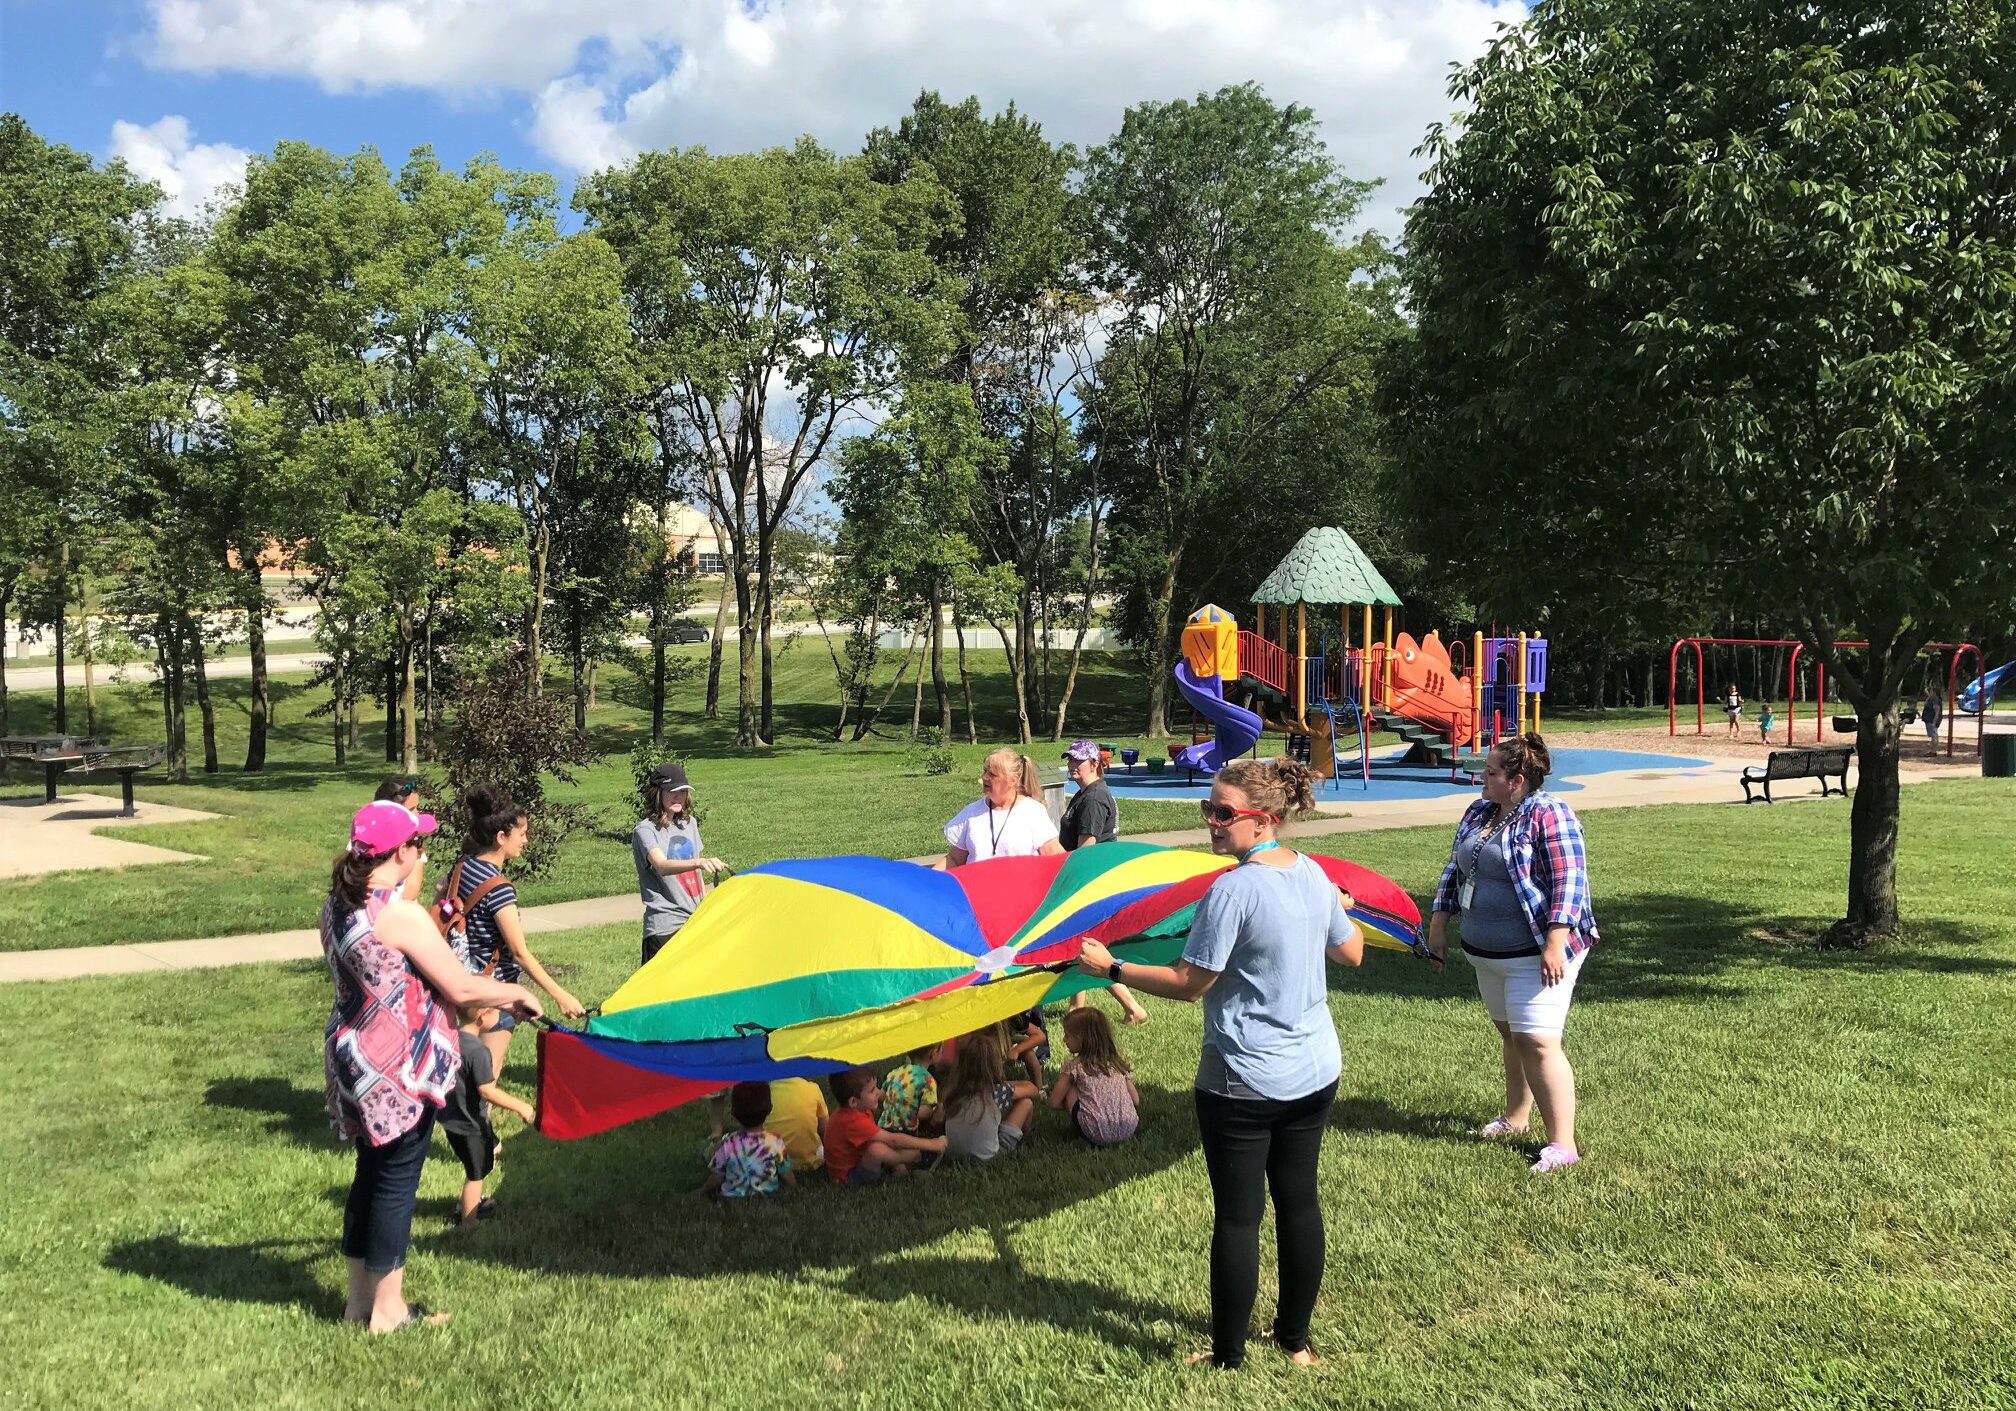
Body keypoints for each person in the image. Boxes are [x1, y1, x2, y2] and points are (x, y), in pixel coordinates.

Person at [1075, 756, 1363, 1371]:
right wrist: (1334, 904)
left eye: (1222, 813)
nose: (1210, 821)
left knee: (1238, 1219)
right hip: (1315, 1072)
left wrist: (1113, 970)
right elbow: (1353, 952)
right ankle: (1296, 1344)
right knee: (1299, 1203)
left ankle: (1229, 1356)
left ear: (1263, 821)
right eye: (1209, 808)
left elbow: (1187, 982)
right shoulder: (1312, 873)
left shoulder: (1231, 889)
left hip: (1244, 1080)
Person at [322, 799, 542, 1332]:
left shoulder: (340, 904)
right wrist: (516, 991)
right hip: (400, 1068)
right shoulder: (398, 915)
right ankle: (388, 1311)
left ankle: (358, 1304)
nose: (424, 851)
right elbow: (462, 986)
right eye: (418, 844)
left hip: (355, 1058)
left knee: (369, 1178)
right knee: (397, 1184)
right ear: (400, 852)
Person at [1426, 732, 1598, 1177]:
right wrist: (1439, 922)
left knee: (1538, 1042)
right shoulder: (1481, 811)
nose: (1480, 778)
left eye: (1490, 772)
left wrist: (1555, 943)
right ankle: (1516, 1118)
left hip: (1536, 952)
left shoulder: (1550, 814)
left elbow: (1570, 882)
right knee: (1512, 1036)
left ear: (1517, 780)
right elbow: (1455, 868)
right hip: (1487, 952)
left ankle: (1563, 1144)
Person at [447, 785, 587, 1079]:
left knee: (461, 1076)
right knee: (485, 1081)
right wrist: (560, 994)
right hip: (495, 993)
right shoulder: (499, 889)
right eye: (521, 833)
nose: (526, 840)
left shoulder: (463, 866)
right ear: (501, 837)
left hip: (464, 985)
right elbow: (520, 953)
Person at [1060, 740, 1149, 1026]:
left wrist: (1067, 880)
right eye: (1070, 759)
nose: (1073, 764)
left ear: (1095, 764)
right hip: (1091, 880)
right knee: (1083, 945)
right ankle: (1085, 1006)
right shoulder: (1085, 793)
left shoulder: (1094, 799)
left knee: (1083, 945)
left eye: (1079, 761)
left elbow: (1086, 849)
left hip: (1090, 881)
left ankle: (1126, 1007)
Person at [443, 1003, 537, 1225]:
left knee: (492, 1150)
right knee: (476, 1175)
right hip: (471, 1124)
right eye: (496, 1012)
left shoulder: (449, 1040)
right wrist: (520, 1106)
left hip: (452, 1120)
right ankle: (469, 1220)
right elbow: (487, 1090)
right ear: (482, 1018)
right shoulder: (478, 1052)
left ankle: (471, 1202)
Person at [633, 762, 727, 966]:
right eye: (672, 791)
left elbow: (696, 877)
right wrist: (699, 862)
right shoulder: (645, 831)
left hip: (693, 923)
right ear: (658, 793)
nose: (679, 797)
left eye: (683, 791)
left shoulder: (689, 823)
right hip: (665, 927)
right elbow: (661, 865)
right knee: (657, 995)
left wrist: (704, 907)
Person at [824, 1068, 947, 1186]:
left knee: (881, 1139)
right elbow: (893, 1140)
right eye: (872, 1090)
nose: (878, 1092)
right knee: (877, 1149)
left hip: (859, 1161)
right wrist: (931, 1144)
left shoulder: (857, 1110)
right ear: (853, 1102)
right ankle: (919, 1156)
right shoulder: (851, 1120)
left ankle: (902, 1167)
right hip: (848, 1179)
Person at [942, 748, 1063, 867]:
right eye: (985, 771)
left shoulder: (1032, 812)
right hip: (978, 886)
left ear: (1012, 780)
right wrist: (928, 881)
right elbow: (953, 860)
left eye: (992, 774)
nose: (984, 777)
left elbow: (1056, 856)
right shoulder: (971, 812)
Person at [939, 1029, 1040, 1163]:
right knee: (1026, 1103)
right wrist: (1006, 1085)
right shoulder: (996, 1092)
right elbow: (1032, 1089)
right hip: (989, 1157)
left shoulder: (953, 1089)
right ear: (993, 1065)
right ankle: (1025, 1138)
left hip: (953, 1154)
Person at [1049, 1006, 1140, 1147]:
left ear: (1080, 1038)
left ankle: (1086, 1133)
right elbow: (1135, 1100)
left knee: (1070, 1087)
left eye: (1067, 1035)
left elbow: (1054, 1102)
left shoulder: (1074, 1067)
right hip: (1128, 1128)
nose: (1063, 1039)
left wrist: (1083, 1106)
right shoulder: (1116, 1064)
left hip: (1096, 1130)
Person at [705, 1083, 795, 1200]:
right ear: (770, 1108)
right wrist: (794, 1187)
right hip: (769, 1195)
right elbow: (786, 1173)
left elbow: (717, 1177)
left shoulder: (728, 1142)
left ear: (733, 1112)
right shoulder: (775, 1142)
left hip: (731, 1198)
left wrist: (703, 1190)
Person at [374, 776, 428, 902]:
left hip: (399, 911)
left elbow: (411, 889)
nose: (417, 814)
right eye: (410, 810)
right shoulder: (365, 843)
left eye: (417, 807)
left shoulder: (413, 843)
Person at [765, 1077, 828, 1175]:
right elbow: (825, 1130)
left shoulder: (766, 1091)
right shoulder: (813, 1088)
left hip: (772, 1162)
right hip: (809, 1163)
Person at [876, 1046, 941, 1136]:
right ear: (934, 1053)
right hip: (906, 1132)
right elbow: (924, 1112)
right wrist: (933, 1111)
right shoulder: (928, 1080)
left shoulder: (895, 1073)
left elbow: (882, 1096)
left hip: (883, 1129)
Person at [1006, 1004, 1051, 1086]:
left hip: (1007, 1041)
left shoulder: (1017, 1018)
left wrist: (1016, 1050)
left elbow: (1040, 1036)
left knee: (1028, 1051)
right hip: (988, 1046)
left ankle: (1038, 1087)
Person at [1923, 682, 1944, 749]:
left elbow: (1937, 711)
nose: (1930, 692)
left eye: (1931, 691)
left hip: (1931, 720)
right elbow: (1927, 699)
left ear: (1934, 692)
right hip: (1930, 719)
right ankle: (1933, 750)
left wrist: (1934, 722)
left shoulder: (1935, 700)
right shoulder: (1932, 699)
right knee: (1933, 735)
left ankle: (1933, 751)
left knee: (1934, 735)